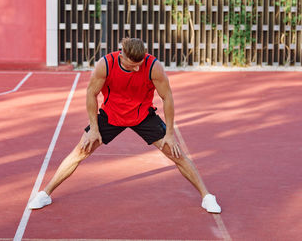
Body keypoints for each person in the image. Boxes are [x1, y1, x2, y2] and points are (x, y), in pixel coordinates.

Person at [28, 38, 221, 213]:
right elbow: (90, 94)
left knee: (175, 152)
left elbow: (167, 98)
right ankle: (45, 194)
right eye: (132, 66)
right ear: (122, 55)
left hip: (143, 115)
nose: (137, 69)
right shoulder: (106, 65)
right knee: (81, 150)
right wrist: (94, 129)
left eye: (139, 65)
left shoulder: (153, 67)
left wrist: (170, 133)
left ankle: (206, 196)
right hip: (111, 115)